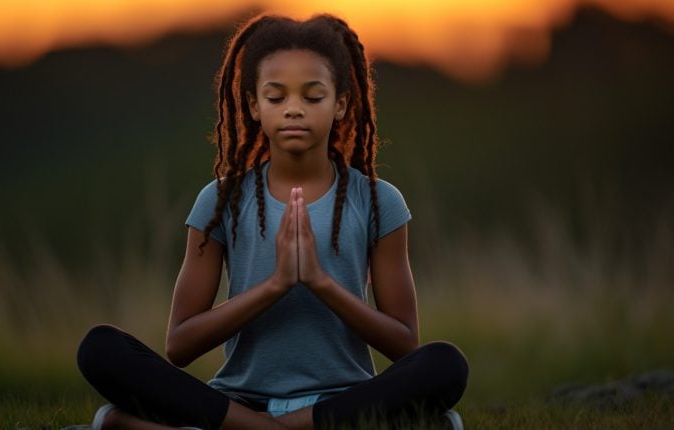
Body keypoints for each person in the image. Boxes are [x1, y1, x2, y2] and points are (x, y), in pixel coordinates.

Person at [75, 13, 468, 430]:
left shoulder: (377, 201)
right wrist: (276, 285)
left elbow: (406, 344)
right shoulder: (219, 201)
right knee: (101, 348)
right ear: (253, 106)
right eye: (276, 97)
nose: (294, 109)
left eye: (312, 97)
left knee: (445, 365)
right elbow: (180, 345)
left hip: (342, 400)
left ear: (341, 105)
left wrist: (320, 283)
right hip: (240, 401)